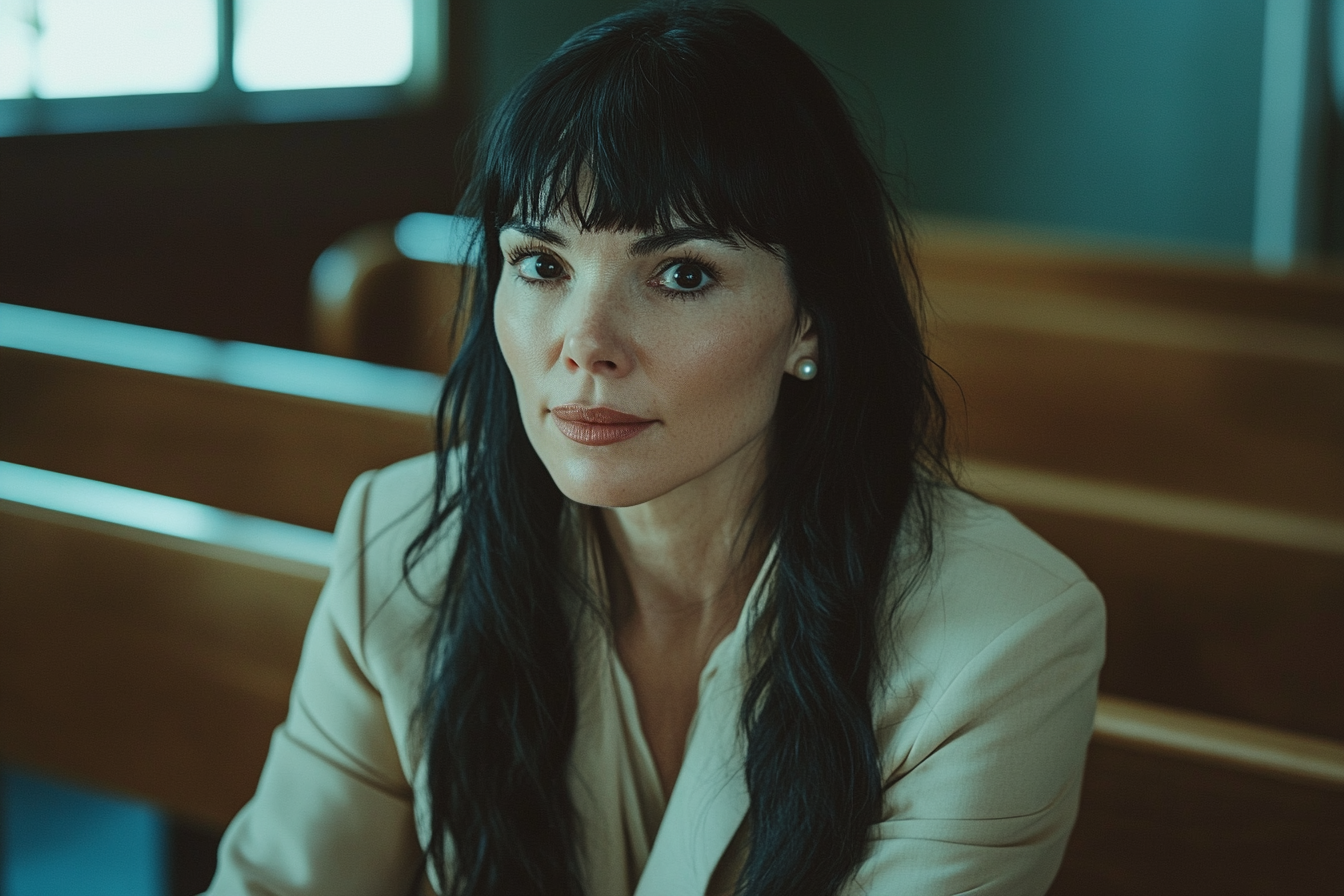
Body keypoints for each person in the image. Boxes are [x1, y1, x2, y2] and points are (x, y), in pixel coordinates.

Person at [205, 3, 1105, 895]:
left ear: (811, 322)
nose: (585, 342)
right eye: (542, 265)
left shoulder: (1001, 637)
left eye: (682, 274)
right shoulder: (400, 540)